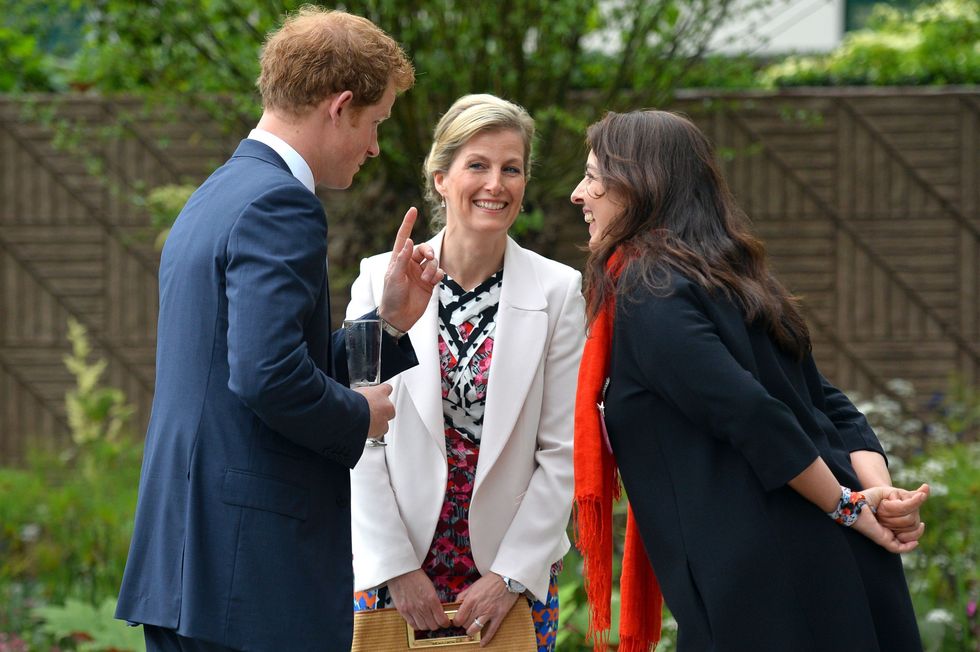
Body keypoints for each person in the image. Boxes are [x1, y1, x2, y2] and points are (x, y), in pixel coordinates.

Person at [114, 9, 443, 652]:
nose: (374, 146)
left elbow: (258, 361)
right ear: (340, 106)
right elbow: (266, 375)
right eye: (374, 123)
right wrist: (358, 416)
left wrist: (389, 322)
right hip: (247, 568)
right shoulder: (281, 203)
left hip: (195, 562)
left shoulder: (218, 192)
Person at [570, 110, 929, 652]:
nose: (579, 193)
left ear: (642, 185)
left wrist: (853, 505)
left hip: (772, 586)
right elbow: (827, 402)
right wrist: (871, 491)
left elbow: (752, 413)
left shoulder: (650, 288)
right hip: (818, 563)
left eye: (594, 176)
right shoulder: (733, 276)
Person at [346, 94, 585, 651]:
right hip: (396, 571)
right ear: (440, 178)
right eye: (477, 165)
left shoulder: (557, 292)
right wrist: (397, 568)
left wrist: (508, 576)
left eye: (512, 169)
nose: (495, 184)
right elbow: (360, 435)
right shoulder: (379, 280)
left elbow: (563, 450)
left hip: (509, 577)